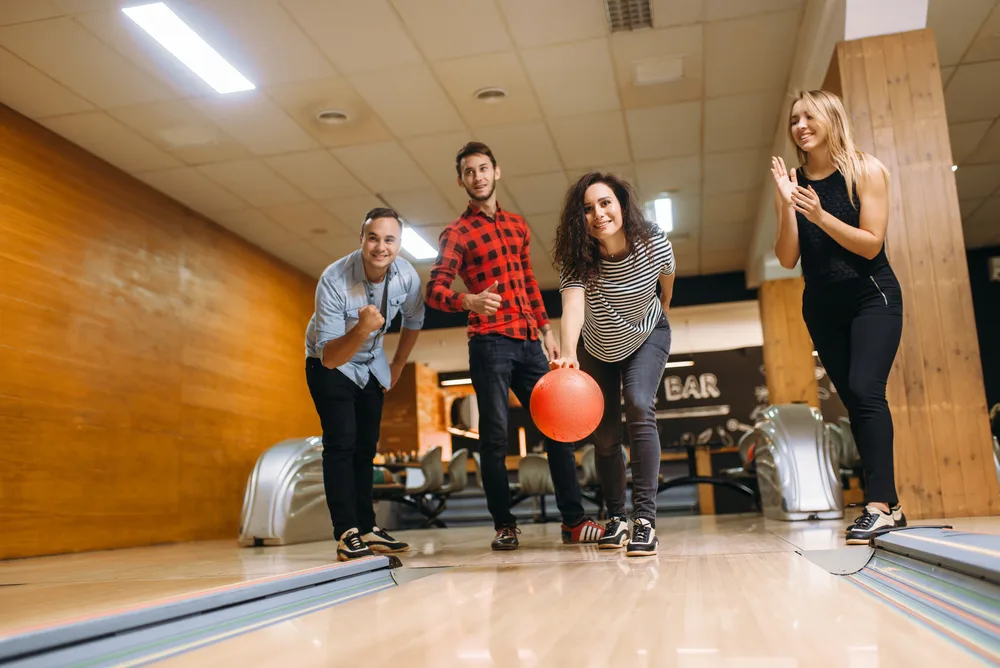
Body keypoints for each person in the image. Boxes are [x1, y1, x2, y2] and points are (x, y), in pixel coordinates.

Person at [426, 142, 604, 550]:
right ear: (461, 180)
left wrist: (546, 329)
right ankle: (504, 525)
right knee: (494, 436)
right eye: (469, 172)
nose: (478, 177)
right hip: (488, 343)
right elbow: (435, 290)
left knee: (558, 427)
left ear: (496, 172)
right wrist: (468, 301)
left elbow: (526, 280)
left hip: (528, 342)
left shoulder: (517, 226)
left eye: (483, 168)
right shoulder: (457, 233)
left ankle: (573, 522)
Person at [771, 89, 905, 544]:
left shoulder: (865, 170)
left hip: (871, 296)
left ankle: (879, 505)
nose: (800, 126)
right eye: (794, 120)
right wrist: (789, 205)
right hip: (822, 305)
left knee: (868, 391)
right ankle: (891, 503)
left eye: (809, 116)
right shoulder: (792, 180)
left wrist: (820, 214)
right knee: (854, 402)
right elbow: (788, 258)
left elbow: (871, 243)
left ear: (832, 118)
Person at [549, 172, 675, 557]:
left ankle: (645, 520)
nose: (598, 214)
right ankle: (616, 516)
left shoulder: (652, 239)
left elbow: (666, 284)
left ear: (621, 204)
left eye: (605, 203)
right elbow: (572, 306)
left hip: (647, 335)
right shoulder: (577, 259)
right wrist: (568, 352)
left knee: (639, 403)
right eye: (587, 209)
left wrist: (659, 317)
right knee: (604, 437)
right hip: (597, 348)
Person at [305, 207, 425, 561]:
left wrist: (399, 363)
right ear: (361, 240)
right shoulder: (334, 278)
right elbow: (329, 357)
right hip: (330, 362)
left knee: (366, 446)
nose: (380, 247)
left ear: (399, 245)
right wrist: (361, 328)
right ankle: (346, 532)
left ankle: (367, 527)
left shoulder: (406, 275)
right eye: (373, 238)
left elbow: (415, 319)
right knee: (341, 443)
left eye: (389, 240)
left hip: (370, 364)